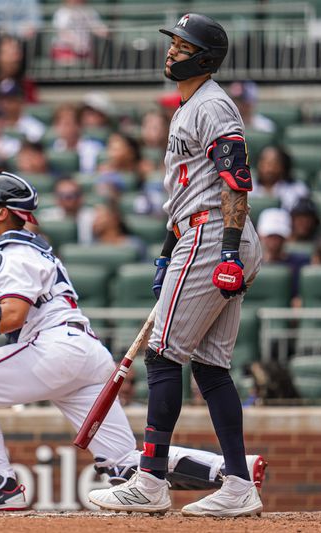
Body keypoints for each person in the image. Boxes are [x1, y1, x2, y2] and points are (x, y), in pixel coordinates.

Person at [0, 173, 267, 511]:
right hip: (84, 354)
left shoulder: (12, 252)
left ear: (1, 212)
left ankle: (1, 489)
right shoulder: (18, 249)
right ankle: (231, 470)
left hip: (52, 348)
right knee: (123, 463)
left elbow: (12, 315)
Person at [88, 14, 264, 517]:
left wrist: (227, 250)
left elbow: (235, 182)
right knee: (210, 366)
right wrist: (167, 252)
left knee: (163, 356)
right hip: (199, 229)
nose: (171, 51)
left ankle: (150, 480)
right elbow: (188, 187)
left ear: (205, 57)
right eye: (173, 43)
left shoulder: (212, 106)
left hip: (214, 233)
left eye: (183, 46)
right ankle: (237, 484)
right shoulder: (189, 106)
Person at [39, 177, 96, 245]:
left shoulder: (95, 216)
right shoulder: (46, 217)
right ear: (56, 198)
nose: (69, 199)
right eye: (63, 195)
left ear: (82, 197)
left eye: (74, 194)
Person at [251, 145, 309, 211]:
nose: (268, 168)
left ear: (283, 166)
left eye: (274, 163)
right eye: (264, 163)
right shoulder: (247, 188)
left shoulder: (298, 189)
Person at [50, 0, 108, 66]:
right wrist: (77, 43)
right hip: (64, 49)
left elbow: (97, 27)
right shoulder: (62, 12)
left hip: (85, 51)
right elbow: (62, 32)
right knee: (71, 66)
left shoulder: (89, 11)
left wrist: (104, 31)